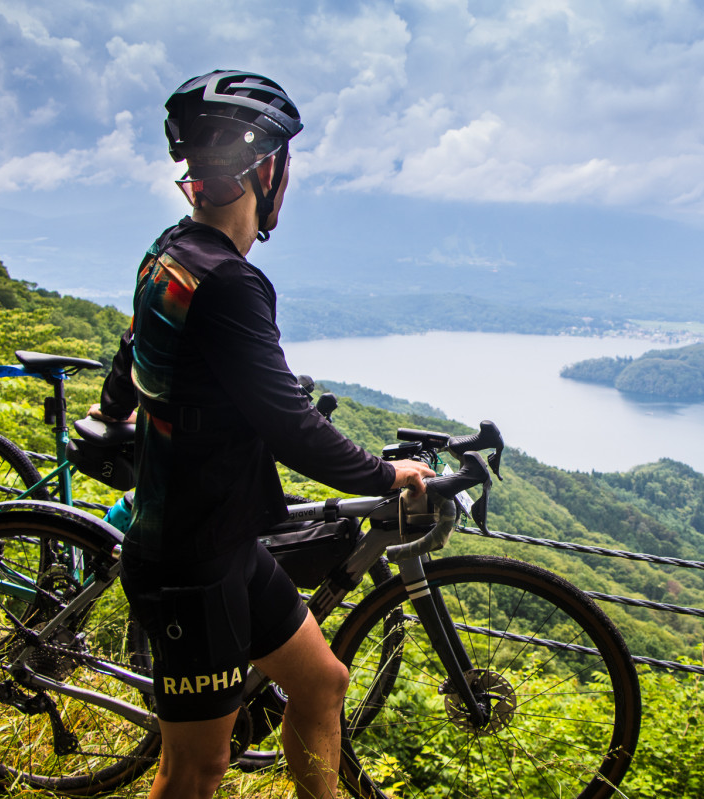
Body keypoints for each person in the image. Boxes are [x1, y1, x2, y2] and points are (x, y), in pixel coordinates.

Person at [91, 70, 434, 799]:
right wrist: (389, 475)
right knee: (195, 768)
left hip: (223, 542)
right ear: (266, 170)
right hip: (189, 563)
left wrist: (115, 408)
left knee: (322, 682)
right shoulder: (232, 283)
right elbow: (290, 425)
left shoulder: (172, 252)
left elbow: (132, 349)